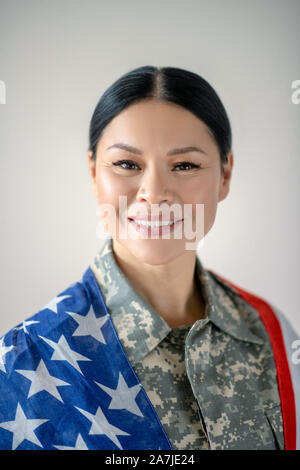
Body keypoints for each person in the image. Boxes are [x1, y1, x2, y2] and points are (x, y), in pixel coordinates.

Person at [0, 66, 299, 450]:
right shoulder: (25, 362)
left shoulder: (272, 334)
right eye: (127, 164)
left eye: (185, 165)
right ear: (93, 172)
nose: (155, 193)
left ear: (225, 174)